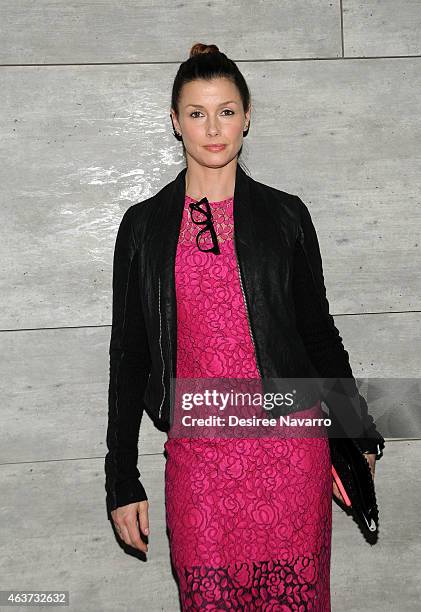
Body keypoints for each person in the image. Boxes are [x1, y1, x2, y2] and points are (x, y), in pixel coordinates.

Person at [105, 42, 385, 611]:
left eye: (227, 111)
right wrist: (121, 478)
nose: (214, 128)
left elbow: (318, 335)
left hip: (291, 455)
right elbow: (128, 357)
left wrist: (353, 432)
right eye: (198, 113)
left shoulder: (286, 216)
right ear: (175, 122)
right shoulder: (143, 228)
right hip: (199, 461)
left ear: (248, 117)